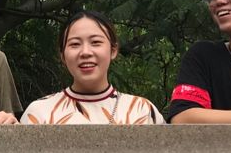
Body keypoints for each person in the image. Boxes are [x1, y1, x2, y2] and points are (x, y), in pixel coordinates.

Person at [22, 11, 163, 125]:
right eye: (75, 44)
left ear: (113, 50)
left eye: (95, 42)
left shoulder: (142, 111)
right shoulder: (39, 113)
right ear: (63, 56)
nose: (85, 52)